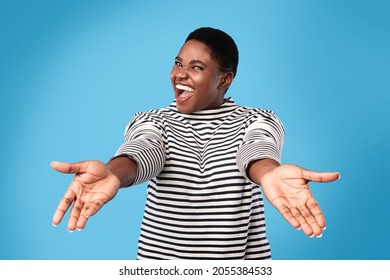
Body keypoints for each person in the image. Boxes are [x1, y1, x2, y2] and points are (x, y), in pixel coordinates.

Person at [51, 27, 340, 259]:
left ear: (224, 79)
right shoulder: (153, 120)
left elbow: (256, 148)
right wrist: (113, 172)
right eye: (178, 63)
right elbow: (144, 148)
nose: (179, 74)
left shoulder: (256, 119)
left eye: (196, 67)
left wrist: (268, 173)